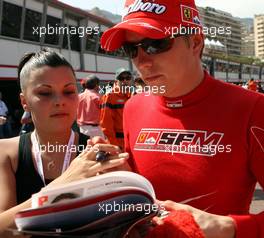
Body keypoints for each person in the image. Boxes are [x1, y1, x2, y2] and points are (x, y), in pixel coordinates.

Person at [101, 0, 264, 237]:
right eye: (131, 49)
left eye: (155, 44)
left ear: (196, 42)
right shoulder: (133, 107)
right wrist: (119, 177)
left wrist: (228, 227)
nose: (142, 61)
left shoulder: (253, 108)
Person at [0, 49, 129, 235]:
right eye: (45, 93)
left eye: (69, 91)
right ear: (24, 101)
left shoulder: (98, 152)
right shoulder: (6, 152)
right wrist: (60, 187)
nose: (59, 101)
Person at [100, 68, 132, 150]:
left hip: (131, 140)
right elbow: (105, 124)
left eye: (128, 78)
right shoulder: (109, 96)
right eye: (121, 78)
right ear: (116, 81)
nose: (125, 81)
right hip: (119, 142)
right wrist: (114, 145)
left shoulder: (132, 95)